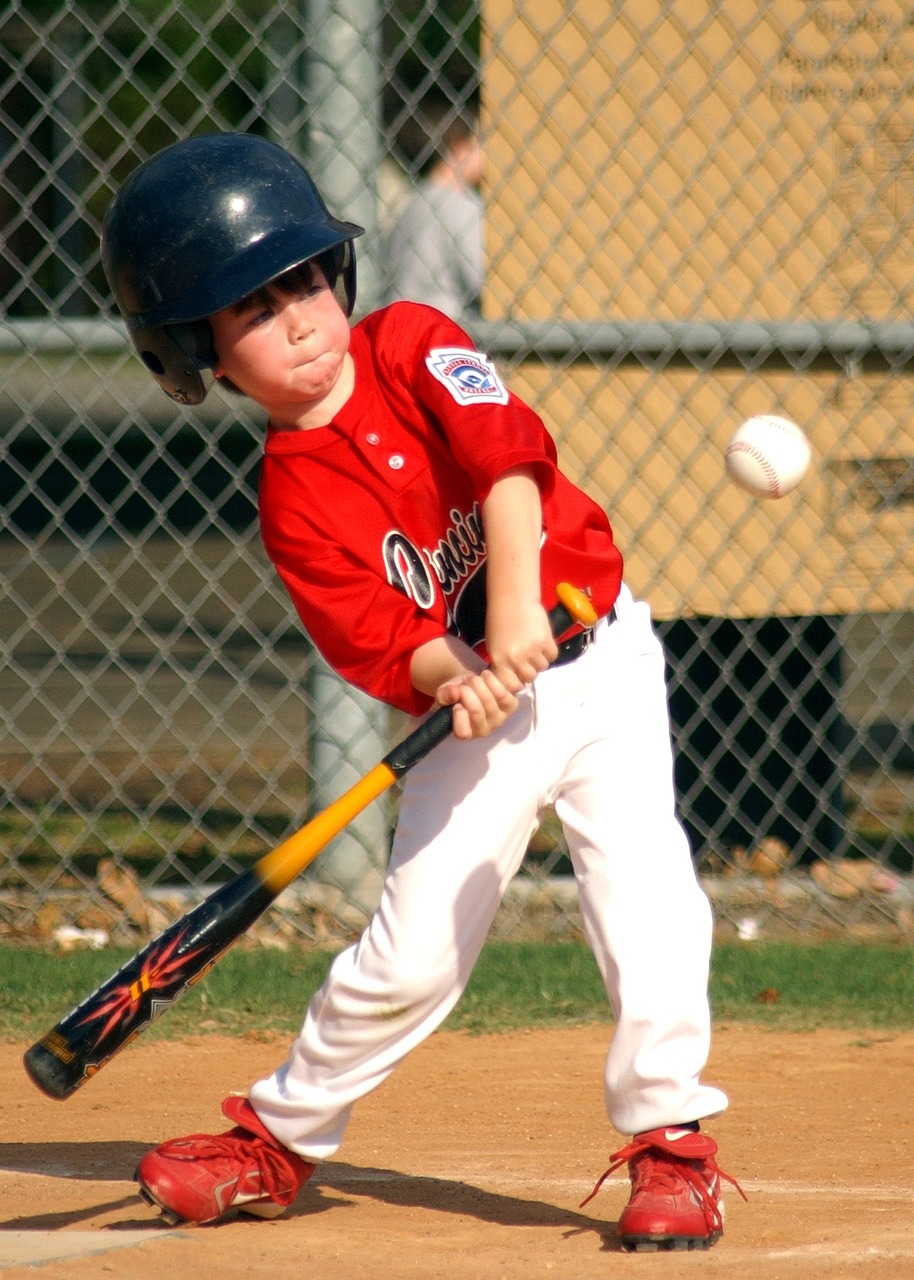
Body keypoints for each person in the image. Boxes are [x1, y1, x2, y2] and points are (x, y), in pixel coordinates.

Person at [100, 132, 741, 1251]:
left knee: (643, 893)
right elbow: (382, 640)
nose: (296, 317)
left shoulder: (410, 340)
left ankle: (671, 1142)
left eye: (300, 279)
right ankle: (279, 1137)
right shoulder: (293, 497)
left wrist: (511, 614)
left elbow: (507, 463)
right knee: (410, 949)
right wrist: (460, 674)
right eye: (251, 309)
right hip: (476, 713)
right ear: (194, 352)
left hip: (598, 655)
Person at [385, 98, 483, 318]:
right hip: (445, 331)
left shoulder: (414, 201)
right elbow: (485, 280)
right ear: (459, 144)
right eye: (480, 140)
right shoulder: (459, 205)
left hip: (401, 325)